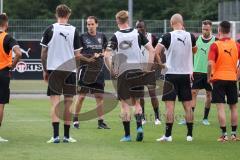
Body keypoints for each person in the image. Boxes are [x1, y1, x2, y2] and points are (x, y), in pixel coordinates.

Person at [104, 10, 155, 142]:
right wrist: (148, 68)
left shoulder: (115, 36)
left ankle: (127, 135)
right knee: (137, 102)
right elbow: (152, 50)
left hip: (123, 72)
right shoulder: (137, 33)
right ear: (128, 20)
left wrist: (112, 70)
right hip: (138, 70)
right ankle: (139, 127)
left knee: (125, 104)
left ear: (117, 21)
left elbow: (106, 56)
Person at [40, 4, 88, 143]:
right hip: (70, 71)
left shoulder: (50, 29)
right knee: (68, 104)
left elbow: (43, 53)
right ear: (68, 15)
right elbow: (78, 55)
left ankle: (55, 136)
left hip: (54, 70)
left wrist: (44, 69)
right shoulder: (74, 30)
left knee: (55, 104)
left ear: (56, 14)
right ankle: (66, 136)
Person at [155, 13, 197, 142]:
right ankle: (189, 135)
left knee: (170, 107)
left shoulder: (167, 36)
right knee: (188, 106)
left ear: (171, 23)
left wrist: (161, 64)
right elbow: (194, 50)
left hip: (171, 74)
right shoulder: (190, 36)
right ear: (182, 23)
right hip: (185, 75)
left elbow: (156, 51)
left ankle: (168, 135)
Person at [72, 16, 110, 129]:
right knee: (81, 97)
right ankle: (75, 120)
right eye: (88, 24)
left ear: (97, 24)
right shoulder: (82, 37)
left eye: (92, 24)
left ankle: (101, 122)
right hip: (85, 71)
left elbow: (106, 53)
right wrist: (90, 56)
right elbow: (77, 55)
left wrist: (102, 55)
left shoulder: (102, 36)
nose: (90, 26)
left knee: (99, 97)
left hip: (98, 71)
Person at [207, 21, 240, 142]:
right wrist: (236, 77)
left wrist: (208, 77)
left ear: (219, 31)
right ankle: (234, 135)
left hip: (218, 79)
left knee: (220, 107)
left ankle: (224, 135)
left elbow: (210, 63)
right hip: (232, 79)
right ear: (229, 30)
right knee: (234, 107)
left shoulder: (215, 45)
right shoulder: (236, 45)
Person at [178, 20, 216, 126]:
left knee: (209, 95)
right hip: (197, 72)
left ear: (211, 29)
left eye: (207, 29)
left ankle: (205, 118)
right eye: (203, 29)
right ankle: (189, 118)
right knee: (193, 93)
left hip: (209, 73)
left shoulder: (215, 41)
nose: (205, 31)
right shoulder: (196, 39)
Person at [0, 13, 22, 142]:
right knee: (1, 104)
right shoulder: (8, 38)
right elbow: (18, 53)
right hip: (3, 73)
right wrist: (12, 65)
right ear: (6, 24)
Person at [135, 20, 161, 125]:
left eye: (140, 27)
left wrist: (159, 63)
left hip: (149, 70)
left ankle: (157, 117)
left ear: (145, 27)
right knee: (140, 95)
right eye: (137, 27)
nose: (139, 29)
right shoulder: (134, 37)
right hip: (139, 70)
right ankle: (143, 117)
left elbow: (155, 51)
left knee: (152, 94)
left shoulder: (152, 37)